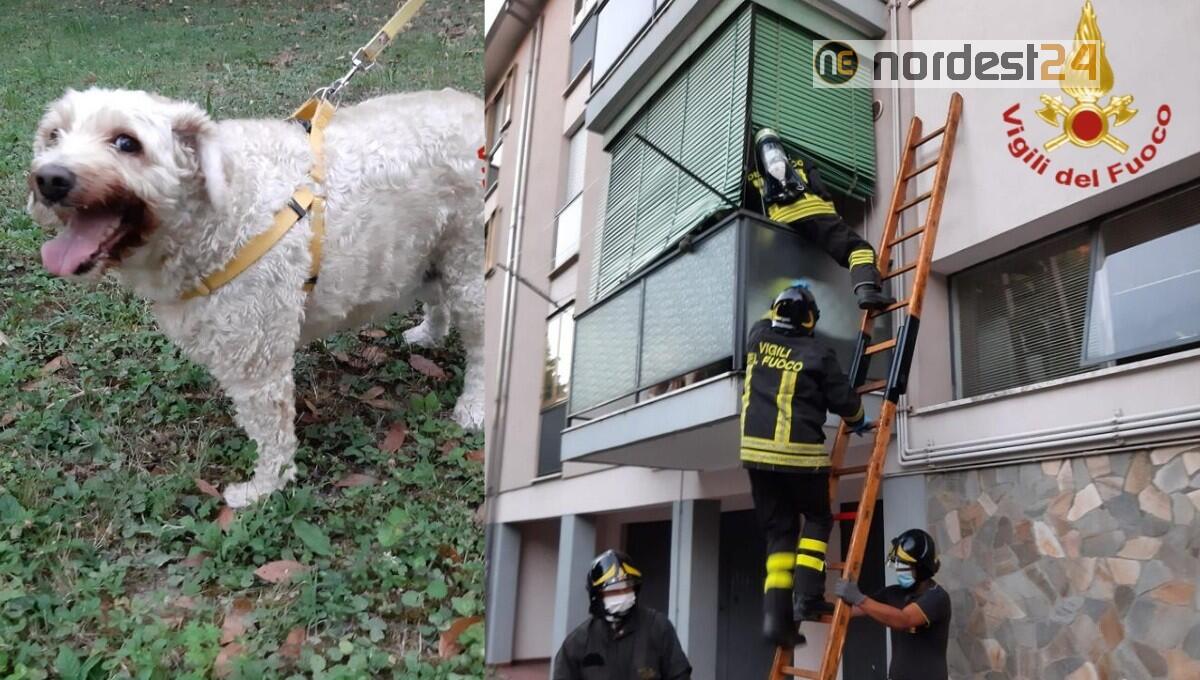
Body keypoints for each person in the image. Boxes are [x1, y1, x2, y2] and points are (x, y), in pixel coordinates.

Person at [741, 283, 872, 647]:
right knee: (816, 520)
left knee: (779, 535)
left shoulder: (756, 337)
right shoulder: (818, 352)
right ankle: (808, 598)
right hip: (800, 457)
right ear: (810, 319)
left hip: (757, 458)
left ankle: (774, 620)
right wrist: (860, 420)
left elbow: (770, 319)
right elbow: (846, 402)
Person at [747, 128, 896, 311]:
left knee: (793, 270)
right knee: (857, 248)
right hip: (816, 213)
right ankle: (867, 291)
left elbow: (755, 208)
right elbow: (821, 191)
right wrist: (833, 217)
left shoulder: (753, 176)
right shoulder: (801, 163)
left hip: (782, 225)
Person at [552, 549, 692, 680]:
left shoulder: (657, 628)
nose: (622, 595)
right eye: (613, 591)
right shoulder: (578, 643)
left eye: (627, 588)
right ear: (597, 596)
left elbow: (680, 674)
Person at [833, 529, 951, 680]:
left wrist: (859, 598)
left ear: (921, 568)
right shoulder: (894, 593)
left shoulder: (937, 598)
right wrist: (814, 605)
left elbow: (904, 619)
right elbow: (854, 610)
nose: (899, 572)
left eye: (905, 567)